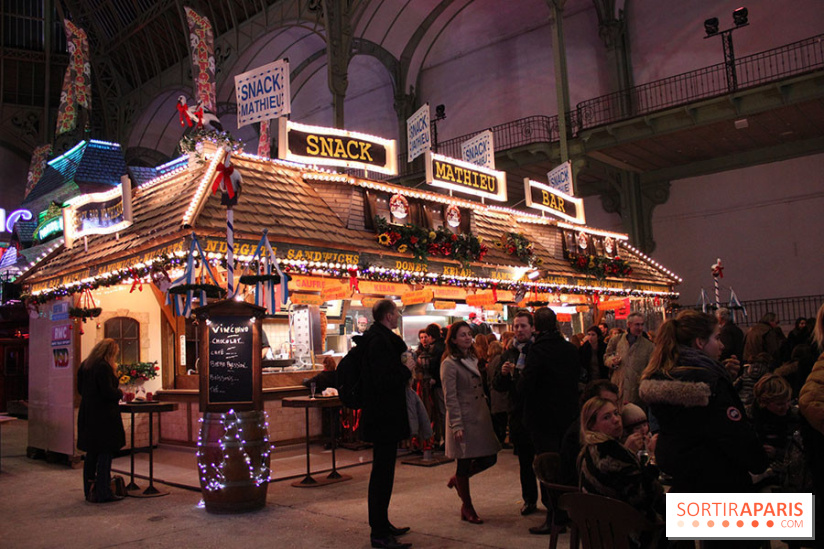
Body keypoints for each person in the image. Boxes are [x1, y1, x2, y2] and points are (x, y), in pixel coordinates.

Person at [639, 309, 768, 493]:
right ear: (700, 342)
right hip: (722, 485)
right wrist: (760, 461)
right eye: (716, 338)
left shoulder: (663, 378)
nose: (722, 345)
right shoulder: (711, 385)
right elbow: (734, 435)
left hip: (684, 482)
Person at [521, 307, 580, 535]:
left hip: (543, 417)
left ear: (535, 326)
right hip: (567, 415)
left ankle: (554, 515)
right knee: (566, 463)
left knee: (548, 467)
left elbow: (528, 384)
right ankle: (568, 512)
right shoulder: (569, 349)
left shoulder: (538, 351)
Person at [359, 299, 412, 549]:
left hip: (382, 416)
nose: (399, 316)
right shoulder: (380, 342)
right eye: (397, 313)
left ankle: (382, 522)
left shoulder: (377, 338)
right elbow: (383, 380)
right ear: (389, 316)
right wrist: (406, 370)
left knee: (384, 472)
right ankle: (379, 533)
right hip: (383, 416)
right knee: (382, 474)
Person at [442, 321, 500, 524]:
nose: (467, 338)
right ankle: (467, 506)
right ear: (454, 340)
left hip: (480, 416)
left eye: (469, 334)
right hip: (465, 418)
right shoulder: (449, 363)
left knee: (490, 457)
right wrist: (456, 424)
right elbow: (450, 397)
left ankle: (459, 481)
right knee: (464, 463)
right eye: (462, 335)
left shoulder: (474, 358)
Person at [578, 397, 664, 522]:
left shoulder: (588, 450)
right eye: (606, 417)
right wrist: (653, 457)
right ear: (592, 426)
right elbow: (646, 494)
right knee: (699, 516)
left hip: (606, 529)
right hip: (635, 530)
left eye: (616, 413)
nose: (616, 420)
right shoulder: (611, 450)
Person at [492, 310, 538, 517]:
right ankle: (529, 500)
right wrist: (503, 375)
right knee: (525, 462)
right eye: (516, 326)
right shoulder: (508, 353)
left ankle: (551, 501)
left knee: (545, 461)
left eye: (523, 326)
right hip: (518, 414)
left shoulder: (538, 350)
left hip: (538, 413)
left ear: (532, 328)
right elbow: (498, 386)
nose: (519, 330)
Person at [77, 338, 126, 503]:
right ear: (109, 352)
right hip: (104, 417)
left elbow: (79, 389)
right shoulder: (104, 367)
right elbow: (108, 392)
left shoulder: (86, 365)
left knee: (91, 453)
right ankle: (103, 491)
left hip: (88, 414)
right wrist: (119, 393)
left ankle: (89, 491)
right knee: (105, 453)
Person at [604, 312, 654, 406]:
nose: (640, 328)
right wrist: (612, 361)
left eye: (642, 324)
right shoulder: (616, 340)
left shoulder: (649, 346)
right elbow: (607, 356)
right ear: (629, 324)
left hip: (636, 392)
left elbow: (651, 368)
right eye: (637, 325)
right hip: (618, 388)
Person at [424, 323, 446, 448]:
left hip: (438, 384)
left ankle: (444, 440)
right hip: (442, 382)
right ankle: (443, 439)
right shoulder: (444, 346)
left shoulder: (435, 349)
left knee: (441, 412)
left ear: (431, 336)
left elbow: (433, 366)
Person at [486, 340, 509, 446]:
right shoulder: (499, 360)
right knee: (502, 419)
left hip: (493, 392)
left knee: (497, 418)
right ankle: (501, 439)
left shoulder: (490, 361)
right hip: (500, 394)